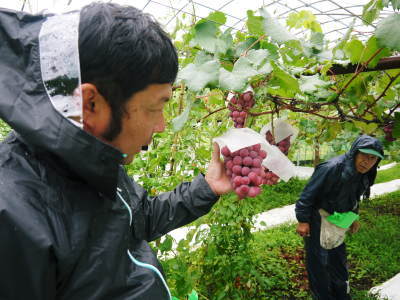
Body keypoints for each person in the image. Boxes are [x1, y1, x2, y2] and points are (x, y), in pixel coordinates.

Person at [0, 3, 231, 299]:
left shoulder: (88, 162)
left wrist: (207, 188)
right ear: (90, 104)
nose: (161, 126)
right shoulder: (12, 220)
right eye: (154, 107)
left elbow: (140, 218)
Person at [295, 134, 384, 300]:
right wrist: (302, 220)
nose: (367, 161)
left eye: (372, 158)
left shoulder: (365, 173)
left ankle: (341, 295)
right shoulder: (331, 168)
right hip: (319, 217)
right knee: (318, 264)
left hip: (339, 219)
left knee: (338, 261)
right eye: (364, 155)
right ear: (355, 153)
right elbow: (307, 196)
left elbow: (354, 196)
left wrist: (354, 217)